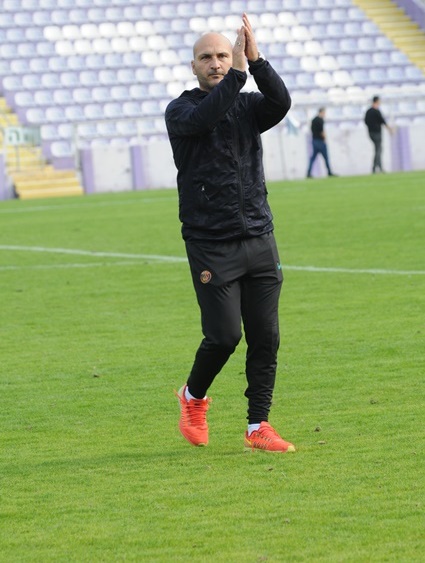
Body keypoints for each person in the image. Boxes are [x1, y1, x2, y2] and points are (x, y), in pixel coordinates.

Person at [165, 13, 295, 453]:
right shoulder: (181, 111)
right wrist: (239, 75)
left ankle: (258, 425)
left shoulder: (247, 103)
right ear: (193, 66)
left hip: (258, 235)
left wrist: (256, 62)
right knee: (224, 337)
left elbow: (280, 102)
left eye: (223, 55)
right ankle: (192, 396)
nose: (216, 62)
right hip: (211, 243)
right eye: (207, 57)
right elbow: (207, 117)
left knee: (266, 337)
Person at [364, 96, 393, 174]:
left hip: (371, 133)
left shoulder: (368, 111)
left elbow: (366, 121)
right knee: (378, 150)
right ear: (377, 101)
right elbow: (383, 121)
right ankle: (376, 167)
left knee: (378, 149)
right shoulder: (376, 111)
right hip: (376, 133)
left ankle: (378, 167)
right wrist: (389, 129)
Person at [306, 108, 337, 178]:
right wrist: (325, 139)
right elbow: (321, 131)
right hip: (320, 141)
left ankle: (308, 173)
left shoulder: (313, 120)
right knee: (326, 158)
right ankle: (329, 172)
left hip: (314, 141)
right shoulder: (320, 120)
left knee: (313, 158)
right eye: (324, 113)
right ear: (322, 112)